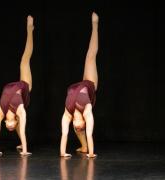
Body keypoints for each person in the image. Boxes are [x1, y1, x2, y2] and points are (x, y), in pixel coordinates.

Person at [0, 15, 34, 156]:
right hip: (24, 86)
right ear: (15, 122)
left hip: (14, 87)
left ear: (5, 122)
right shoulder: (20, 111)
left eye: (8, 127)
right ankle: (30, 30)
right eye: (12, 127)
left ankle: (30, 29)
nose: (9, 128)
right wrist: (25, 151)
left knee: (24, 58)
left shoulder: (0, 112)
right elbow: (22, 129)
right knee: (25, 60)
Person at [60, 12, 99, 158]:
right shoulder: (87, 111)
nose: (77, 127)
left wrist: (63, 153)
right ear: (84, 121)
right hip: (90, 83)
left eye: (76, 128)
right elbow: (89, 132)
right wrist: (91, 153)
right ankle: (95, 25)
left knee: (88, 57)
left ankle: (83, 147)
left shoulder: (67, 114)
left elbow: (64, 134)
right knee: (90, 55)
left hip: (80, 84)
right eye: (80, 127)